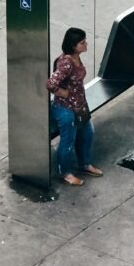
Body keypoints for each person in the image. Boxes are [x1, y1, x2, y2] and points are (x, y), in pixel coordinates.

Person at [45, 27, 104, 186]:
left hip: (80, 106)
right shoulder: (66, 63)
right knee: (68, 141)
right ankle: (64, 173)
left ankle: (84, 164)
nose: (86, 44)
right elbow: (51, 84)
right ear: (73, 46)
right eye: (82, 43)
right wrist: (64, 93)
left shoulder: (76, 58)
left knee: (87, 133)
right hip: (65, 109)